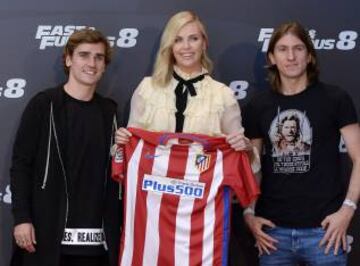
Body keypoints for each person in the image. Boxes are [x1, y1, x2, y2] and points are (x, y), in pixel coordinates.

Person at [115, 10, 259, 264]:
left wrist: (245, 147)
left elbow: (242, 164)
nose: (186, 47)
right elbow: (129, 157)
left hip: (201, 221)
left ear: (204, 42)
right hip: (151, 216)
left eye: (193, 38)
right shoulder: (146, 89)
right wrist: (122, 143)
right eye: (178, 39)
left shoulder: (222, 95)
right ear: (169, 46)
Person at [243, 21, 360, 265]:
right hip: (273, 234)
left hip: (325, 232)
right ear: (272, 58)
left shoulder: (335, 98)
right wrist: (249, 213)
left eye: (298, 48)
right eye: (283, 49)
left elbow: (359, 156)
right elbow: (253, 166)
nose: (291, 56)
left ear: (309, 56)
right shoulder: (257, 105)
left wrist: (347, 209)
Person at [10, 28, 121, 266]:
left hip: (96, 245)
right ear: (69, 59)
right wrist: (22, 218)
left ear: (104, 65)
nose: (91, 63)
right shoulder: (44, 105)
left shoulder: (110, 112)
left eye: (99, 57)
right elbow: (21, 165)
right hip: (47, 238)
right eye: (84, 55)